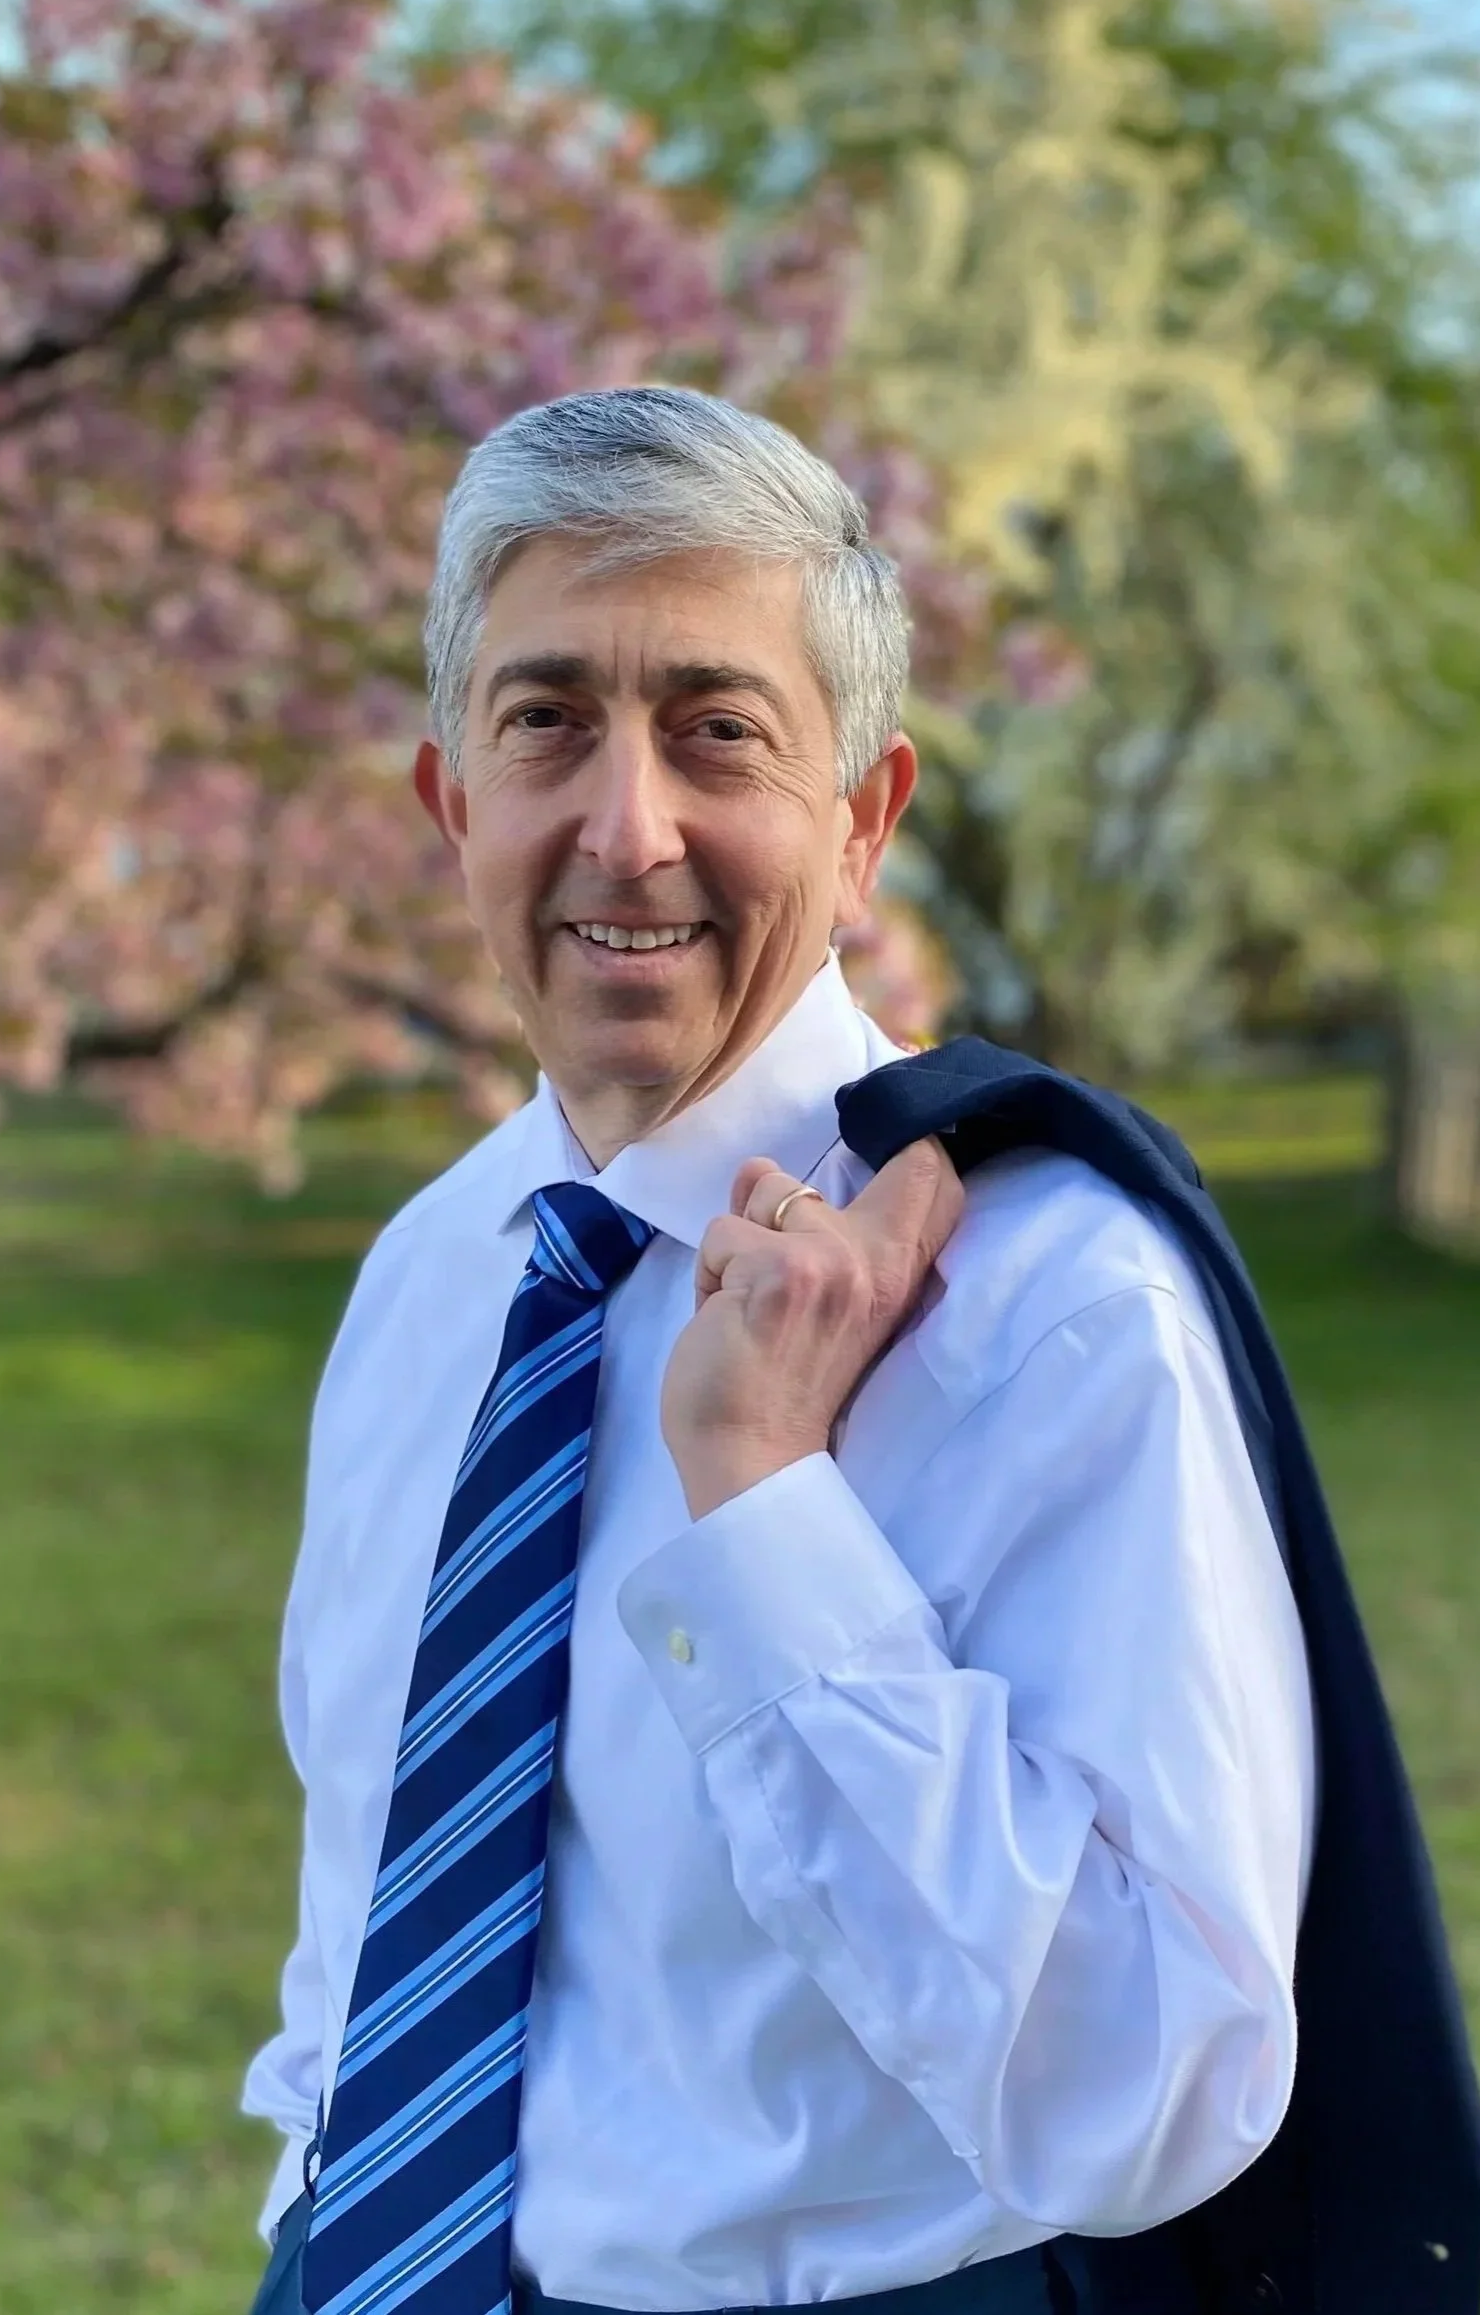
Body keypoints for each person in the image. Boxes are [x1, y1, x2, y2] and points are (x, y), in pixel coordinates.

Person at [241, 387, 1315, 2315]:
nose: (625, 827)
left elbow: (1153, 2085)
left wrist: (763, 1512)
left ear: (862, 819)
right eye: (545, 720)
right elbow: (369, 1881)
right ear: (453, 802)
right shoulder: (431, 1273)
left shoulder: (1058, 1300)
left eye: (716, 729)